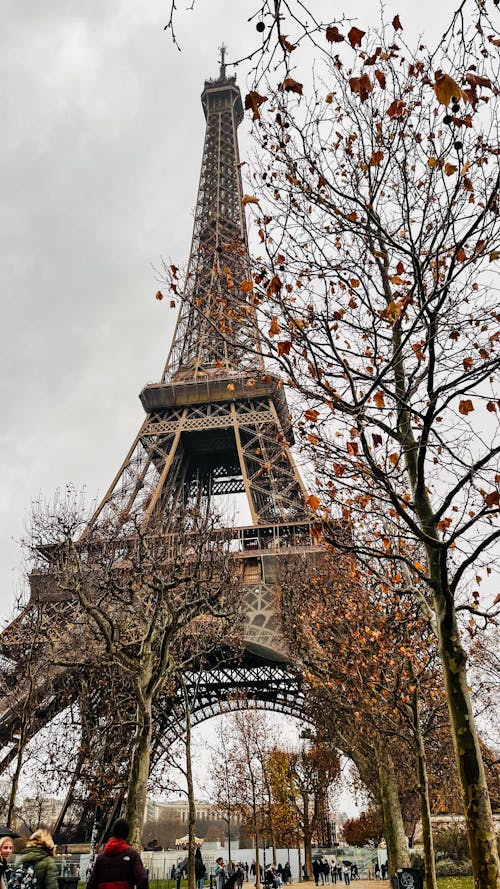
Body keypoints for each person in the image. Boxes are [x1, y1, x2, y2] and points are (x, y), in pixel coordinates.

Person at [87, 819, 148, 889]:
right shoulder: (132, 854)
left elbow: (91, 884)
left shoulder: (101, 857)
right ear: (127, 834)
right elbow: (143, 879)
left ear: (113, 832)